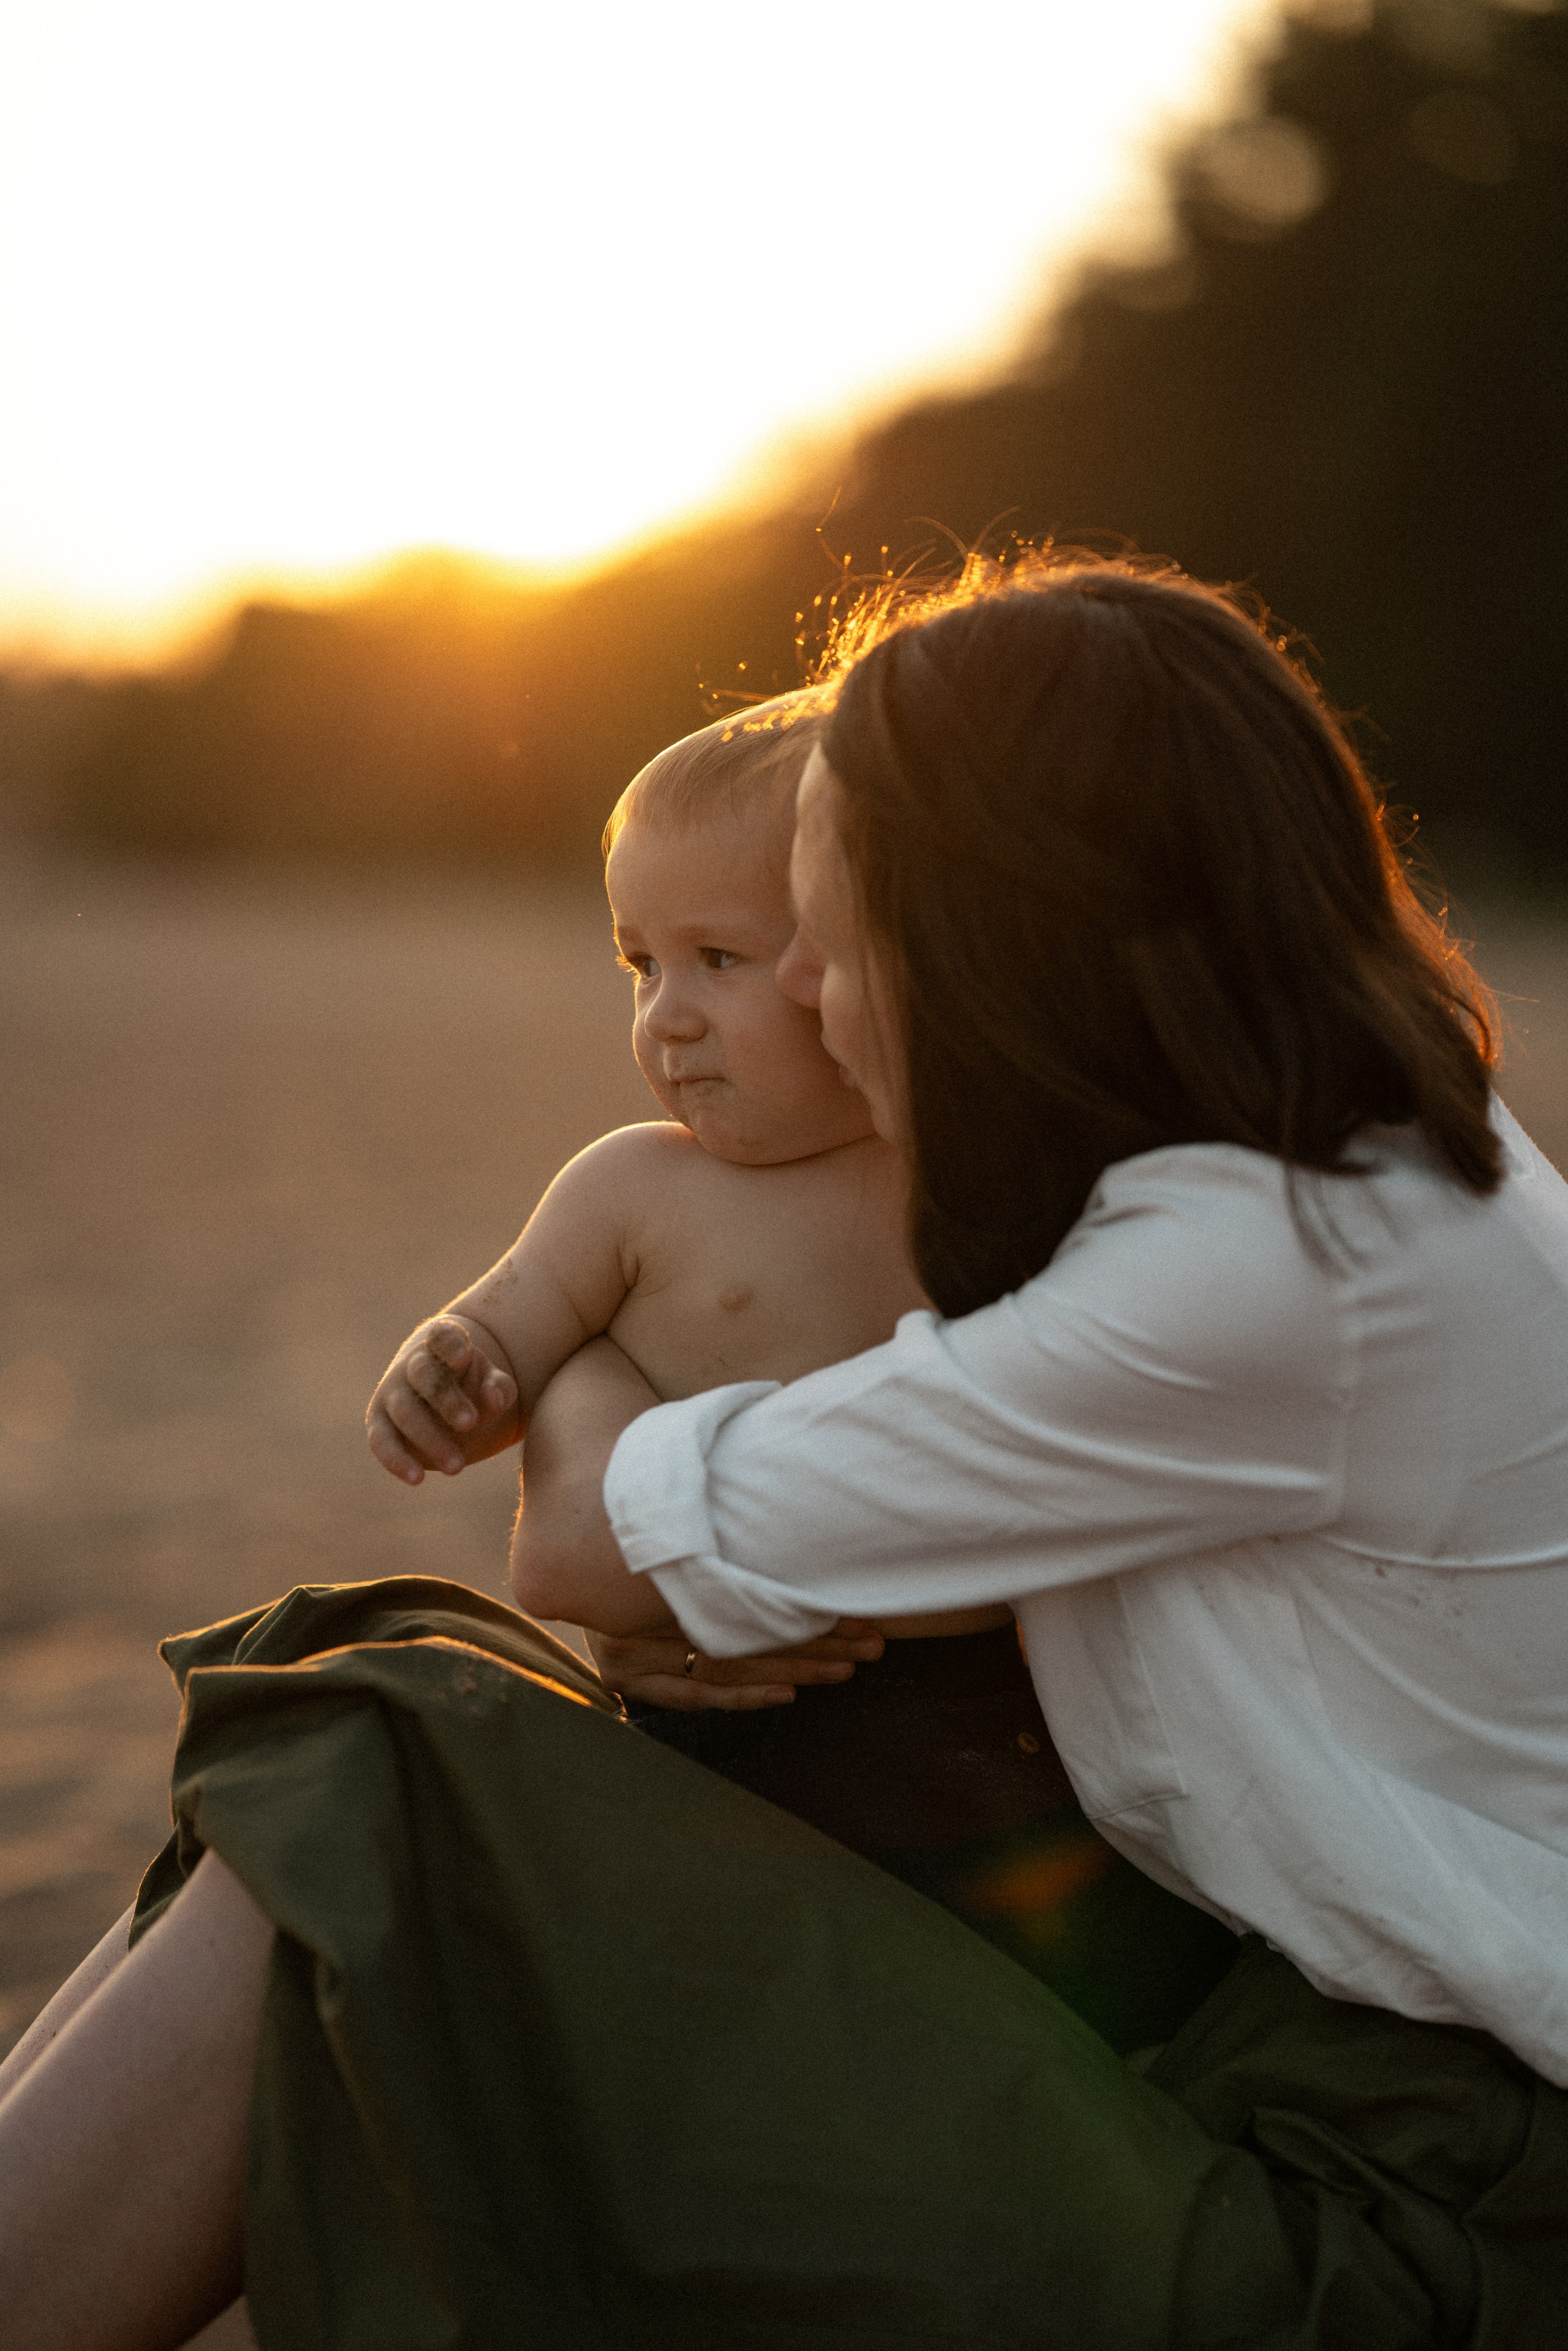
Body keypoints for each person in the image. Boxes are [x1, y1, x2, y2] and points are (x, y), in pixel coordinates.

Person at [3, 554, 1566, 2350]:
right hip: (1346, 2076)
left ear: (1001, 927)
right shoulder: (1356, 1169)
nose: (811, 991)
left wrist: (585, 1343)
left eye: (836, 925)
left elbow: (584, 1545)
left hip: (1411, 2213)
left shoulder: (1242, 1274)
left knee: (379, 1768)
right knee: (351, 1704)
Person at [364, 692, 1237, 2050]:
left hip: (983, 1724)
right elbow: (505, 1340)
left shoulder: (976, 1184)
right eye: (637, 963)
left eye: (718, 955)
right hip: (718, 1717)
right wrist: (456, 1371)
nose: (667, 1019)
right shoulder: (627, 1188)